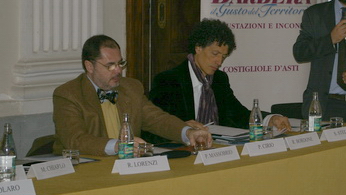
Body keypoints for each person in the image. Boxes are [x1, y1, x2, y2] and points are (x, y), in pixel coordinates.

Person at [52, 35, 212, 156]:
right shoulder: (68, 94)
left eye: (120, 63)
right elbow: (75, 140)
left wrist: (187, 132)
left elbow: (157, 119)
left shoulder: (131, 87)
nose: (118, 70)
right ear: (89, 66)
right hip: (88, 168)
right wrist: (119, 146)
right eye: (110, 65)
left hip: (129, 166)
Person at [146, 18, 291, 143]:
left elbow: (237, 115)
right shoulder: (169, 80)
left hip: (216, 148)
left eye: (223, 56)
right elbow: (155, 127)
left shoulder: (219, 79)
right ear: (198, 47)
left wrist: (269, 120)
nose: (219, 61)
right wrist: (182, 128)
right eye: (215, 54)